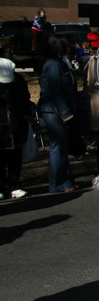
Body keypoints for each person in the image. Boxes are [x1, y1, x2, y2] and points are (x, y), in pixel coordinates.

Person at [38, 34, 80, 193]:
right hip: (54, 111)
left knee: (62, 146)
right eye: (68, 44)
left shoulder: (61, 62)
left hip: (60, 110)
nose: (71, 47)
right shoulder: (53, 64)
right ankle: (57, 183)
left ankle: (66, 180)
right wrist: (66, 113)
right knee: (58, 147)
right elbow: (56, 91)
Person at [0, 58, 32, 199]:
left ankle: (14, 185)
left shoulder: (18, 82)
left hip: (16, 124)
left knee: (15, 157)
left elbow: (25, 99)